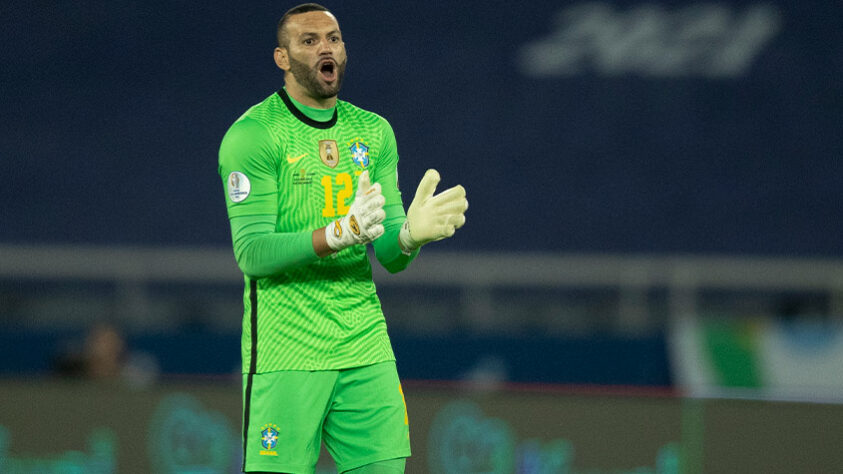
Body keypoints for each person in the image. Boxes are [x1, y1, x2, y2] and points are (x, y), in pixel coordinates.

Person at [217, 4, 468, 473]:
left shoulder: (373, 133)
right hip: (286, 353)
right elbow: (252, 253)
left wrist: (410, 235)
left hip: (365, 348)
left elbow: (389, 255)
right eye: (308, 41)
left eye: (332, 38)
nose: (325, 48)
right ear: (282, 58)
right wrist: (337, 234)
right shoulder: (253, 136)